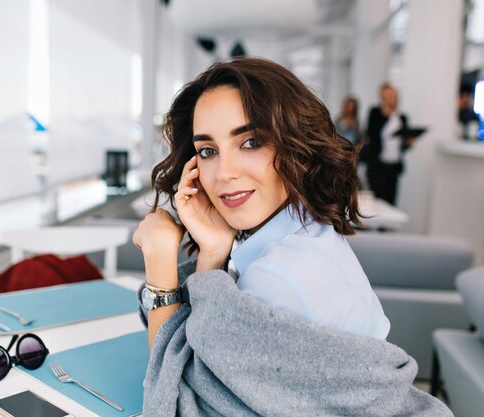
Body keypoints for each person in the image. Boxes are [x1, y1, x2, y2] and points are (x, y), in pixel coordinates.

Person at [133, 58, 451, 416]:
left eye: (250, 142)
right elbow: (208, 354)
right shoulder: (308, 233)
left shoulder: (277, 279)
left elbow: (170, 403)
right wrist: (213, 252)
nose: (224, 172)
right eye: (208, 151)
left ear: (293, 145)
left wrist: (160, 260)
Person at [364, 83, 414, 205]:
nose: (390, 98)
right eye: (386, 96)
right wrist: (386, 115)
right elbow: (371, 134)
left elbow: (401, 145)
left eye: (392, 95)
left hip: (394, 167)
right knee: (377, 202)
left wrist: (408, 143)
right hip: (377, 166)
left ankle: (386, 225)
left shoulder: (402, 118)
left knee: (390, 202)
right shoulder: (375, 113)